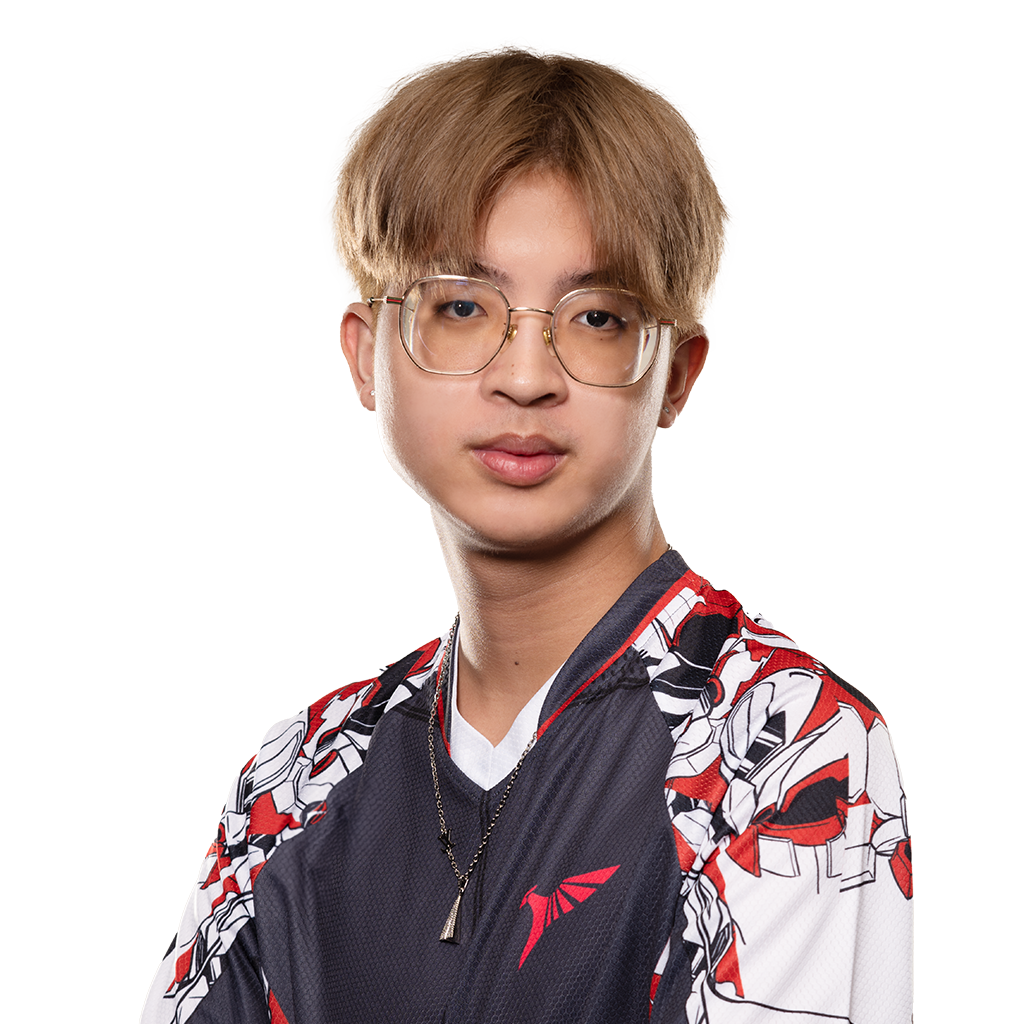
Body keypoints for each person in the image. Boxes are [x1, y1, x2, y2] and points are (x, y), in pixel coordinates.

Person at [141, 46, 912, 1024]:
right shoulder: (297, 779)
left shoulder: (786, 750)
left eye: (597, 317)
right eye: (462, 307)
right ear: (365, 359)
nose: (525, 375)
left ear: (676, 373)